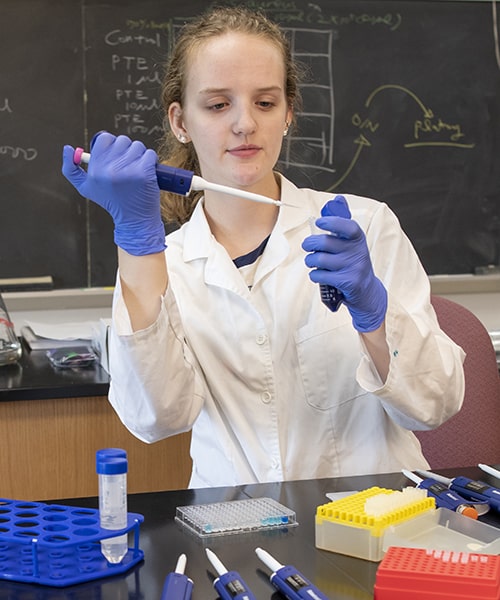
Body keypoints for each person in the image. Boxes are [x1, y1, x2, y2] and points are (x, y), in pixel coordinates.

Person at [62, 6, 465, 488]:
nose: (244, 124)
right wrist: (135, 240)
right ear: (180, 121)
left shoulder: (363, 227)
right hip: (234, 527)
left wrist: (375, 313)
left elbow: (436, 403)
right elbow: (156, 419)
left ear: (290, 112)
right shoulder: (162, 262)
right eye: (217, 105)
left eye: (265, 103)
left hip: (376, 517)